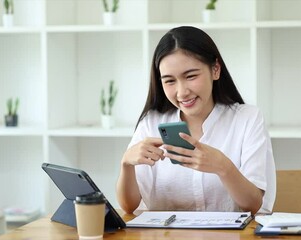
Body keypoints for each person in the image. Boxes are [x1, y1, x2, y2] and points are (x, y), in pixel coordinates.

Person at [116, 26, 276, 215]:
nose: (182, 92)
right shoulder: (151, 122)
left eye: (191, 76)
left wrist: (223, 167)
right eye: (169, 81)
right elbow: (129, 207)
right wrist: (126, 164)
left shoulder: (247, 119)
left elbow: (253, 204)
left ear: (215, 70)